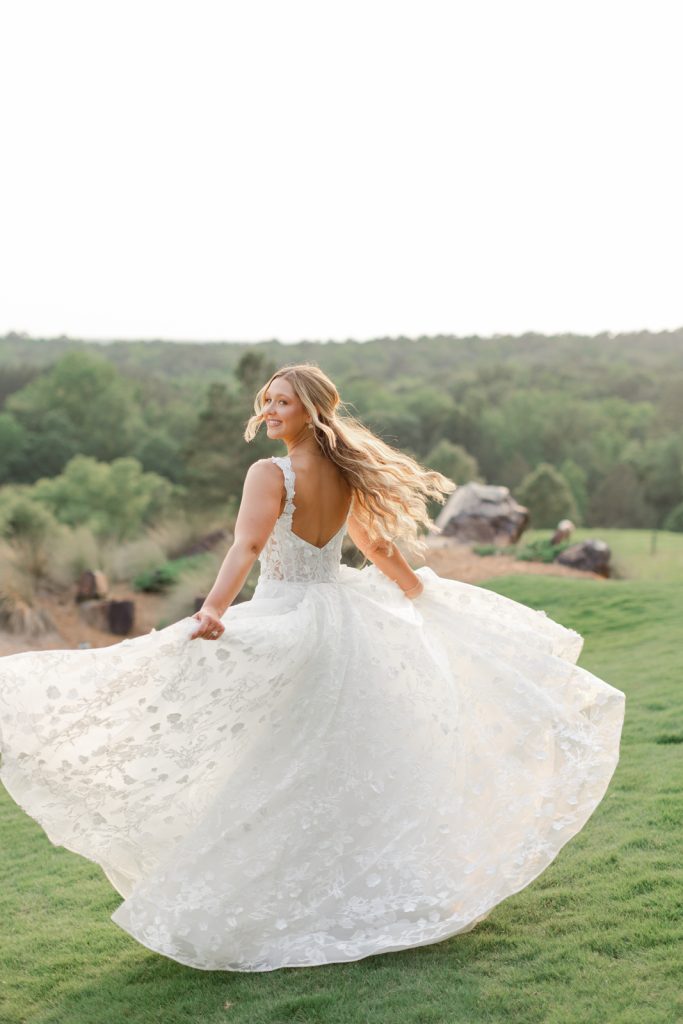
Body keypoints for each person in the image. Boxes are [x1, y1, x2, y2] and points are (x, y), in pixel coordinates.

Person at [0, 362, 625, 973]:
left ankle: (272, 895)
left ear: (311, 410)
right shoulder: (343, 470)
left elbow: (247, 545)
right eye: (266, 400)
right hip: (344, 620)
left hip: (289, 616)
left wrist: (213, 609)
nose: (268, 411)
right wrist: (418, 595)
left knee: (265, 757)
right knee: (330, 761)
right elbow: (376, 548)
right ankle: (346, 888)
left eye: (283, 403)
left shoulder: (269, 472)